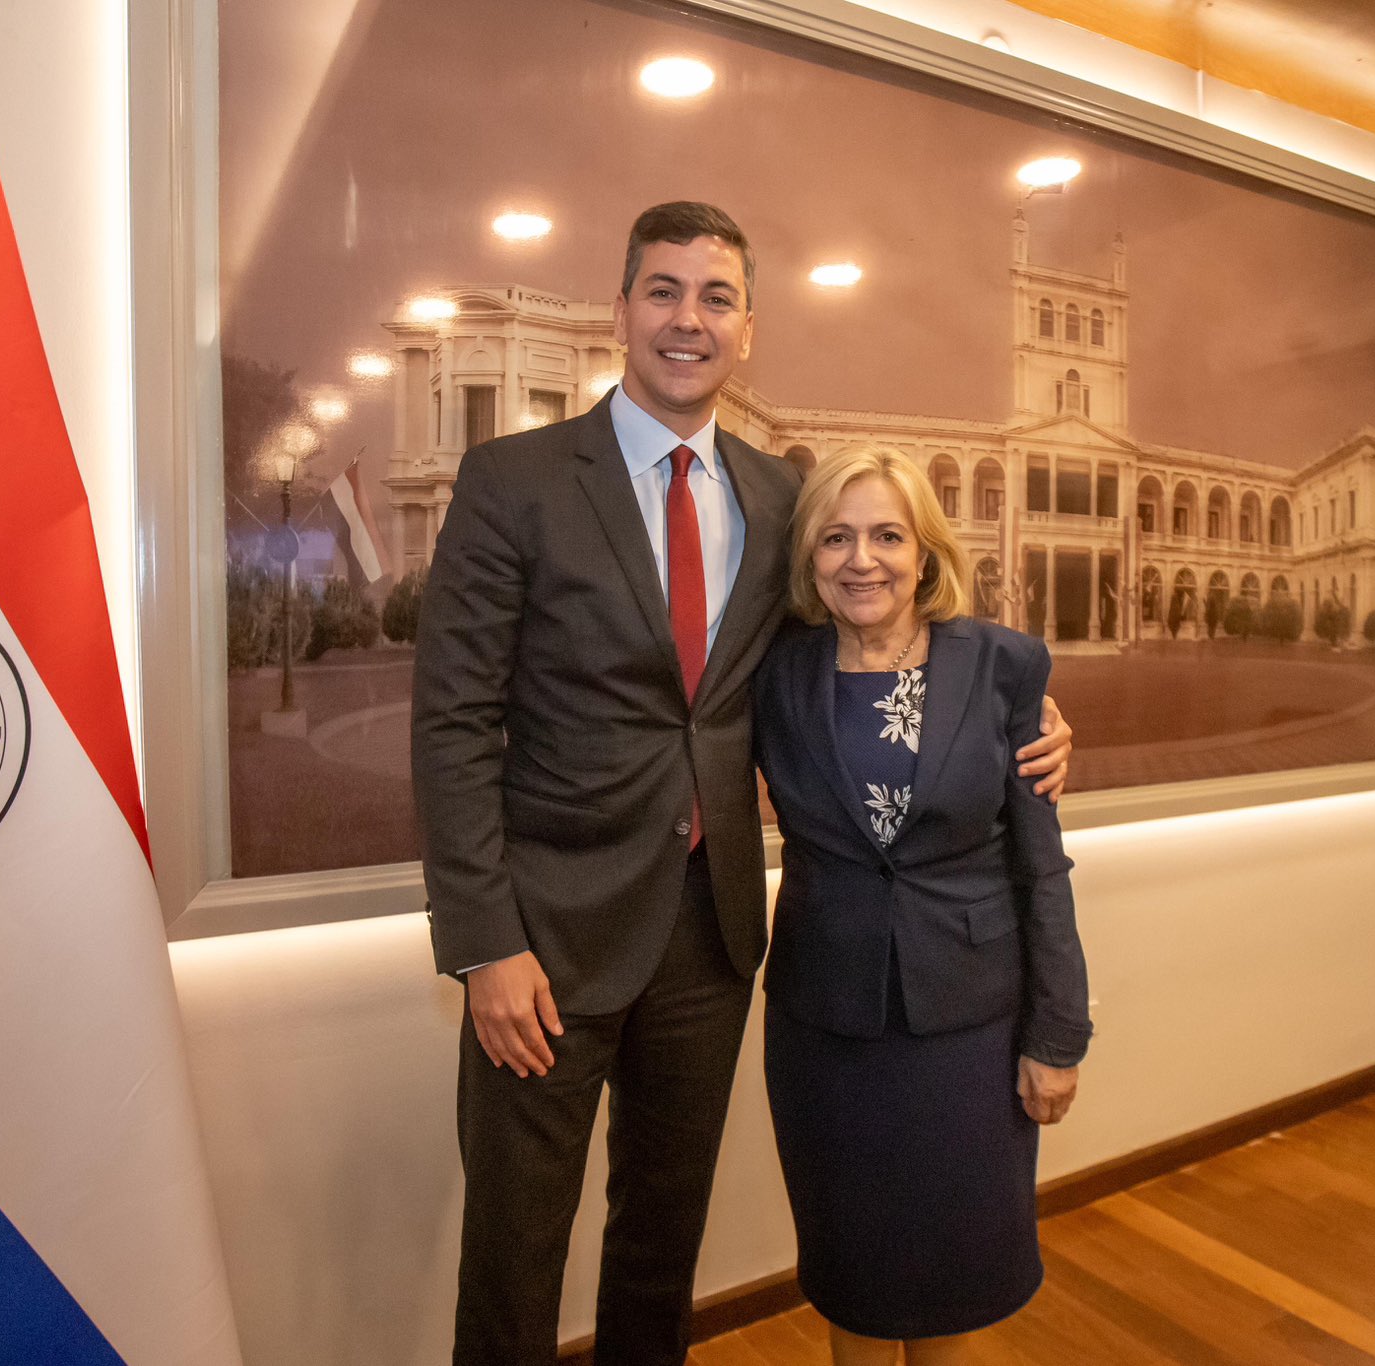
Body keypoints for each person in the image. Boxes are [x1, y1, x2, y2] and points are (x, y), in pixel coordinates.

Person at [411, 203, 1073, 1366]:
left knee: (662, 1240)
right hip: (544, 943)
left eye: (715, 298)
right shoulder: (511, 481)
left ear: (747, 329)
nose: (687, 319)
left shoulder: (781, 503)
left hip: (711, 940)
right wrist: (482, 941)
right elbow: (453, 722)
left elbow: (873, 641)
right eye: (662, 291)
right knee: (515, 1248)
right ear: (622, 311)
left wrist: (1026, 714)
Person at [753, 443, 1092, 1366]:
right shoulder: (774, 678)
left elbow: (1040, 865)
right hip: (828, 1030)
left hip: (970, 1031)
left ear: (926, 552)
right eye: (836, 538)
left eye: (886, 535)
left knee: (952, 1279)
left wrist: (1058, 1035)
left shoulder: (1005, 667)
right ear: (808, 559)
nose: (861, 559)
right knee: (855, 1275)